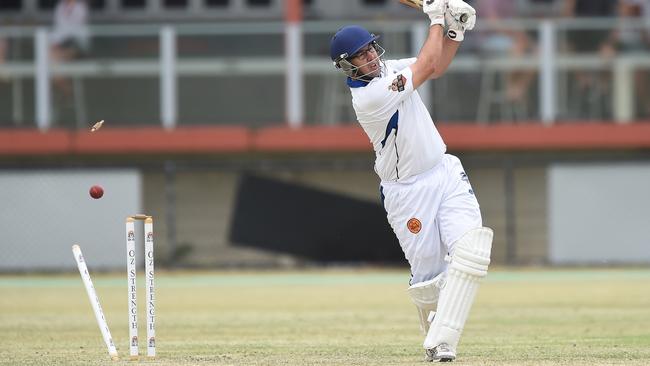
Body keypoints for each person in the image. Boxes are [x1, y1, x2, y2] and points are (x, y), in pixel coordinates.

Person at [329, 0, 493, 362]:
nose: (370, 56)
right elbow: (426, 65)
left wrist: (455, 31)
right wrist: (437, 17)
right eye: (360, 55)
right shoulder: (368, 98)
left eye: (370, 47)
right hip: (407, 192)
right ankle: (434, 330)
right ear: (346, 66)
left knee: (471, 251)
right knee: (431, 281)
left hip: (444, 172)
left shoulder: (387, 70)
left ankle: (442, 342)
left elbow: (435, 67)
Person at [49, 0, 90, 97]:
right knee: (52, 57)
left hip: (76, 44)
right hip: (61, 44)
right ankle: (65, 89)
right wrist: (55, 42)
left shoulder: (80, 7)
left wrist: (58, 43)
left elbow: (75, 28)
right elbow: (59, 26)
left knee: (53, 58)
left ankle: (62, 88)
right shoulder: (60, 6)